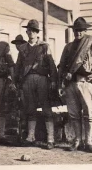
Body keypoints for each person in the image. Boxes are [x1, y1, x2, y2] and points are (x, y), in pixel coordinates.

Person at [58, 17, 92, 153]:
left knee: (88, 114)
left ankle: (88, 142)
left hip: (86, 83)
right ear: (73, 31)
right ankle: (77, 141)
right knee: (74, 114)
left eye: (81, 30)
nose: (78, 33)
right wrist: (61, 83)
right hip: (71, 84)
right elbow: (61, 66)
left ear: (85, 30)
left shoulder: (90, 44)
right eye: (76, 30)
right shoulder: (68, 47)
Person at [15, 19, 58, 150]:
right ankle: (30, 136)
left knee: (46, 108)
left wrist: (54, 80)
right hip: (27, 80)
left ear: (37, 32)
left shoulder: (44, 46)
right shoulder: (22, 48)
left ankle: (50, 138)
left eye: (34, 31)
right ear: (26, 31)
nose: (32, 33)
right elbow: (18, 66)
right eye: (30, 30)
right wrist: (17, 82)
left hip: (42, 79)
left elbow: (51, 65)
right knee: (30, 108)